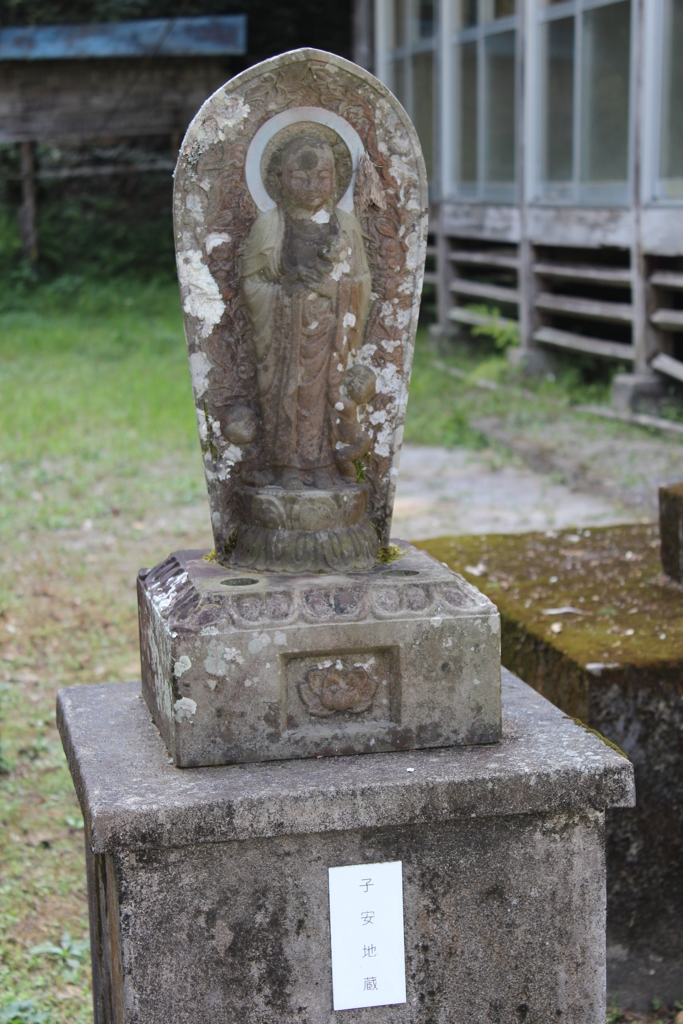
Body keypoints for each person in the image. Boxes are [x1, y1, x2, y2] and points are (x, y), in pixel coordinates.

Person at [241, 132, 372, 489]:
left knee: (330, 398)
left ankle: (326, 466)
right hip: (285, 341)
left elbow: (361, 281)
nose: (312, 185)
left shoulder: (345, 226)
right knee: (286, 397)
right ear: (279, 179)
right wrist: (287, 292)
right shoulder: (271, 226)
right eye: (300, 177)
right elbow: (252, 285)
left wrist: (336, 291)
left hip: (331, 340)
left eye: (322, 176)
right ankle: (287, 467)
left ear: (336, 178)